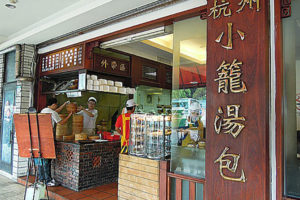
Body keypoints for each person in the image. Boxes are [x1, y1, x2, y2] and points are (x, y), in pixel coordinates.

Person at [37, 98, 72, 186]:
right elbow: (62, 122)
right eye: (56, 104)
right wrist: (69, 115)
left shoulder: (44, 110)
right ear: (53, 104)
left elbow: (56, 111)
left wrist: (64, 104)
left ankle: (41, 179)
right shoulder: (53, 112)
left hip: (41, 136)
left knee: (42, 158)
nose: (56, 106)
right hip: (48, 137)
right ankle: (48, 180)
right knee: (47, 160)